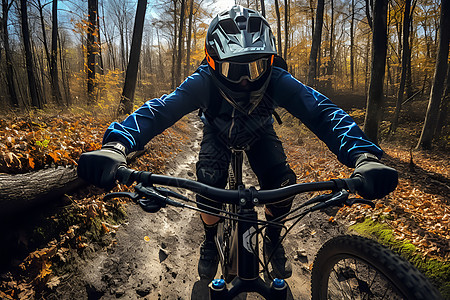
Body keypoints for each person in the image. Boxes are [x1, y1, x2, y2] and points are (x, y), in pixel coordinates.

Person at [77, 5, 398, 281]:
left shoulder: (277, 78)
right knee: (208, 188)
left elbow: (321, 112)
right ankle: (209, 238)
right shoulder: (202, 81)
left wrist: (363, 153)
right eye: (233, 69)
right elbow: (159, 111)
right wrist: (117, 145)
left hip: (260, 133)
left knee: (282, 182)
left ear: (269, 62)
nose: (246, 80)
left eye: (256, 67)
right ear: (213, 63)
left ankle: (273, 236)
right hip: (216, 135)